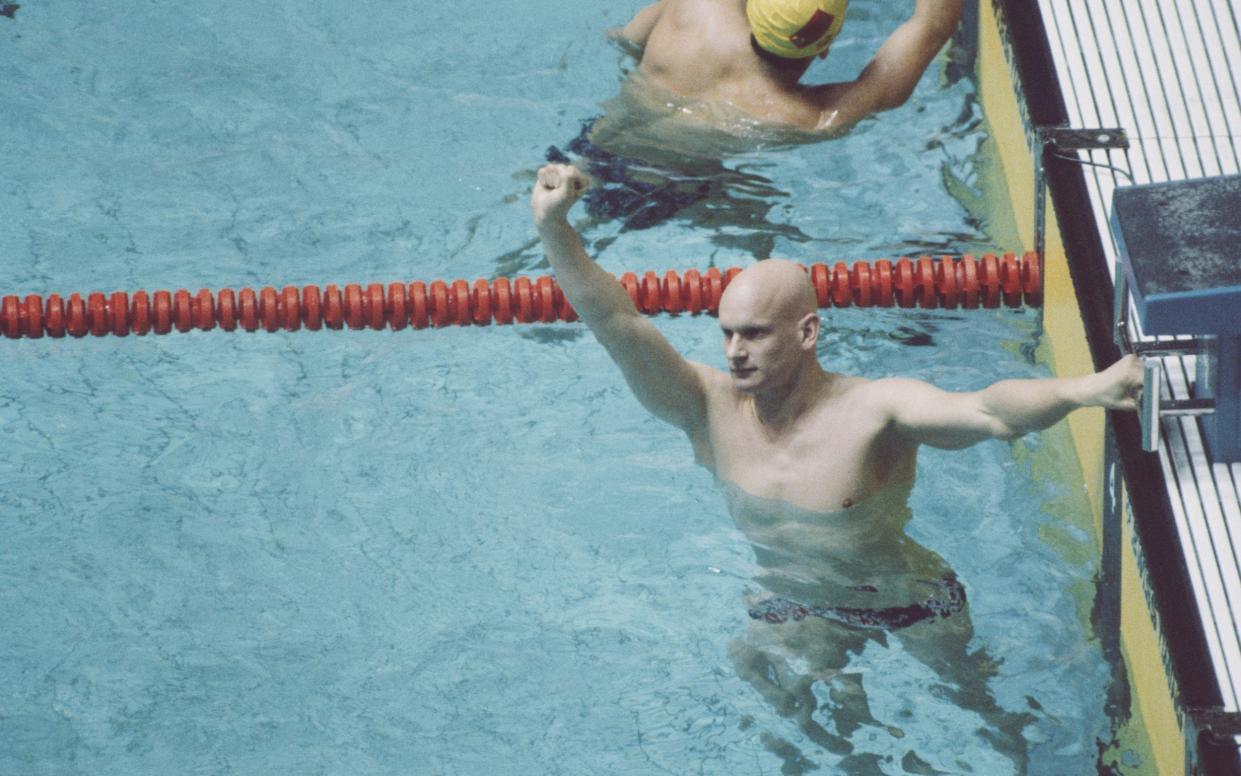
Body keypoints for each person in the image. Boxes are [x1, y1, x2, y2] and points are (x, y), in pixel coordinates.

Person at [530, 163, 1145, 769]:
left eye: (755, 334)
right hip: (795, 605)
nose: (735, 352)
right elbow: (616, 321)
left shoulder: (874, 410)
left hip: (907, 598)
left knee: (980, 708)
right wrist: (554, 227)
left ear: (807, 331)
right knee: (776, 700)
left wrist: (1085, 391)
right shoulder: (704, 409)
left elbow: (987, 411)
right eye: (727, 334)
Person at [611, 0, 966, 134]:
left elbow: (625, 40)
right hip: (687, 189)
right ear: (826, 49)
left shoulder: (695, 9)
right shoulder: (807, 117)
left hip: (603, 144)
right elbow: (931, 28)